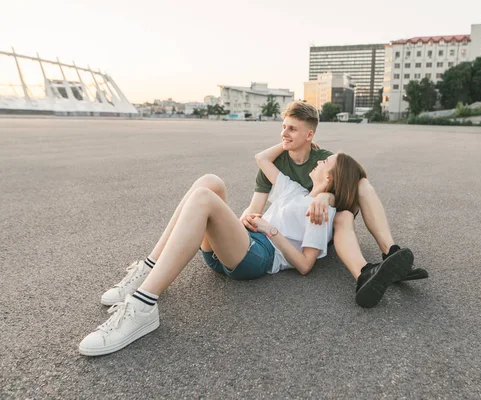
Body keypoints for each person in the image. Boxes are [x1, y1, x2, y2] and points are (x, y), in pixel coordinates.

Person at [79, 137, 411, 356]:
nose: (320, 161)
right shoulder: (295, 190)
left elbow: (306, 265)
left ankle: (142, 307)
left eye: (327, 163)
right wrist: (294, 138)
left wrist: (271, 228)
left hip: (260, 256)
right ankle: (146, 272)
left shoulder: (320, 211)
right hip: (236, 248)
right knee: (210, 182)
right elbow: (263, 158)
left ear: (333, 178)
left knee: (203, 198)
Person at [240, 101, 428, 308]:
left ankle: (390, 252)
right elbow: (255, 206)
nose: (284, 133)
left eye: (292, 129)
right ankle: (365, 275)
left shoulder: (324, 160)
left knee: (357, 192)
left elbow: (345, 185)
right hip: (302, 222)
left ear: (309, 134)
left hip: (324, 218)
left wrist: (326, 198)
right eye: (284, 127)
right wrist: (241, 226)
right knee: (340, 214)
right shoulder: (275, 162)